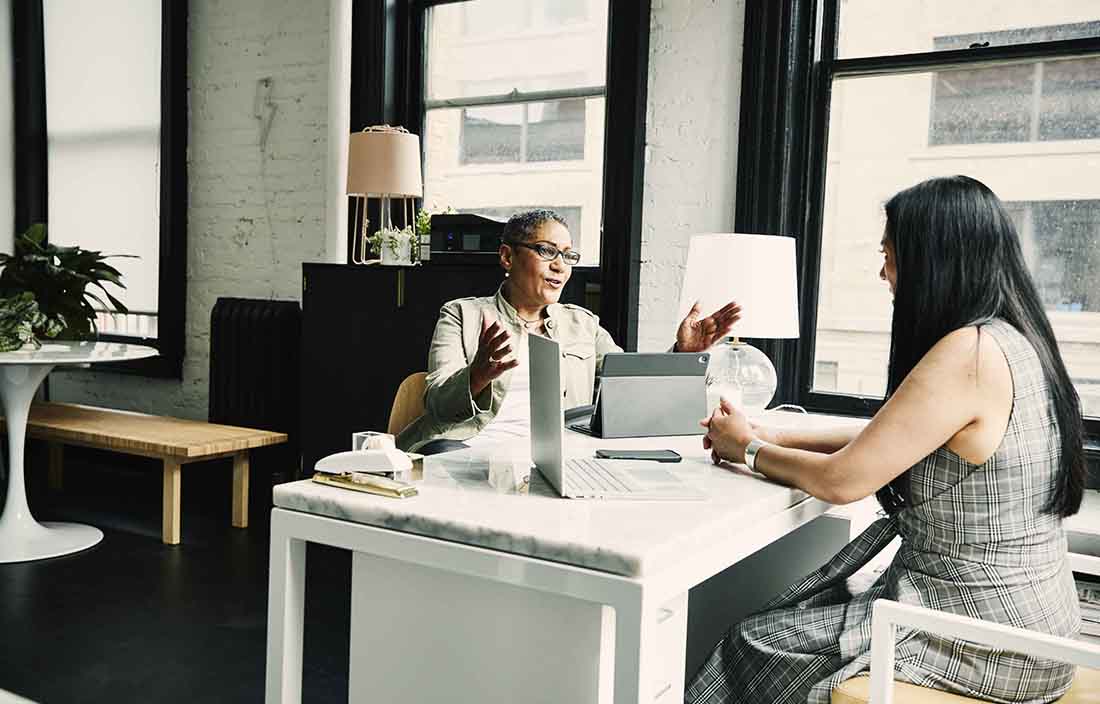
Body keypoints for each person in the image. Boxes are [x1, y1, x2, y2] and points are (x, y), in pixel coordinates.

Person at [687, 175, 1086, 703]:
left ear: (934, 259)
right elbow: (895, 438)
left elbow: (843, 481)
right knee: (808, 605)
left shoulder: (967, 353)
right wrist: (772, 431)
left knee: (754, 639)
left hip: (986, 638)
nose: (883, 271)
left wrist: (748, 450)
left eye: (890, 254)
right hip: (1038, 624)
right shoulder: (1015, 338)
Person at [396, 209, 742, 454]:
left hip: (555, 459)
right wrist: (478, 375)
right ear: (507, 257)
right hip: (465, 449)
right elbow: (437, 403)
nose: (560, 265)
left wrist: (684, 354)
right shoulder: (462, 315)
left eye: (567, 255)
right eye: (546, 251)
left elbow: (630, 387)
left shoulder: (583, 324)